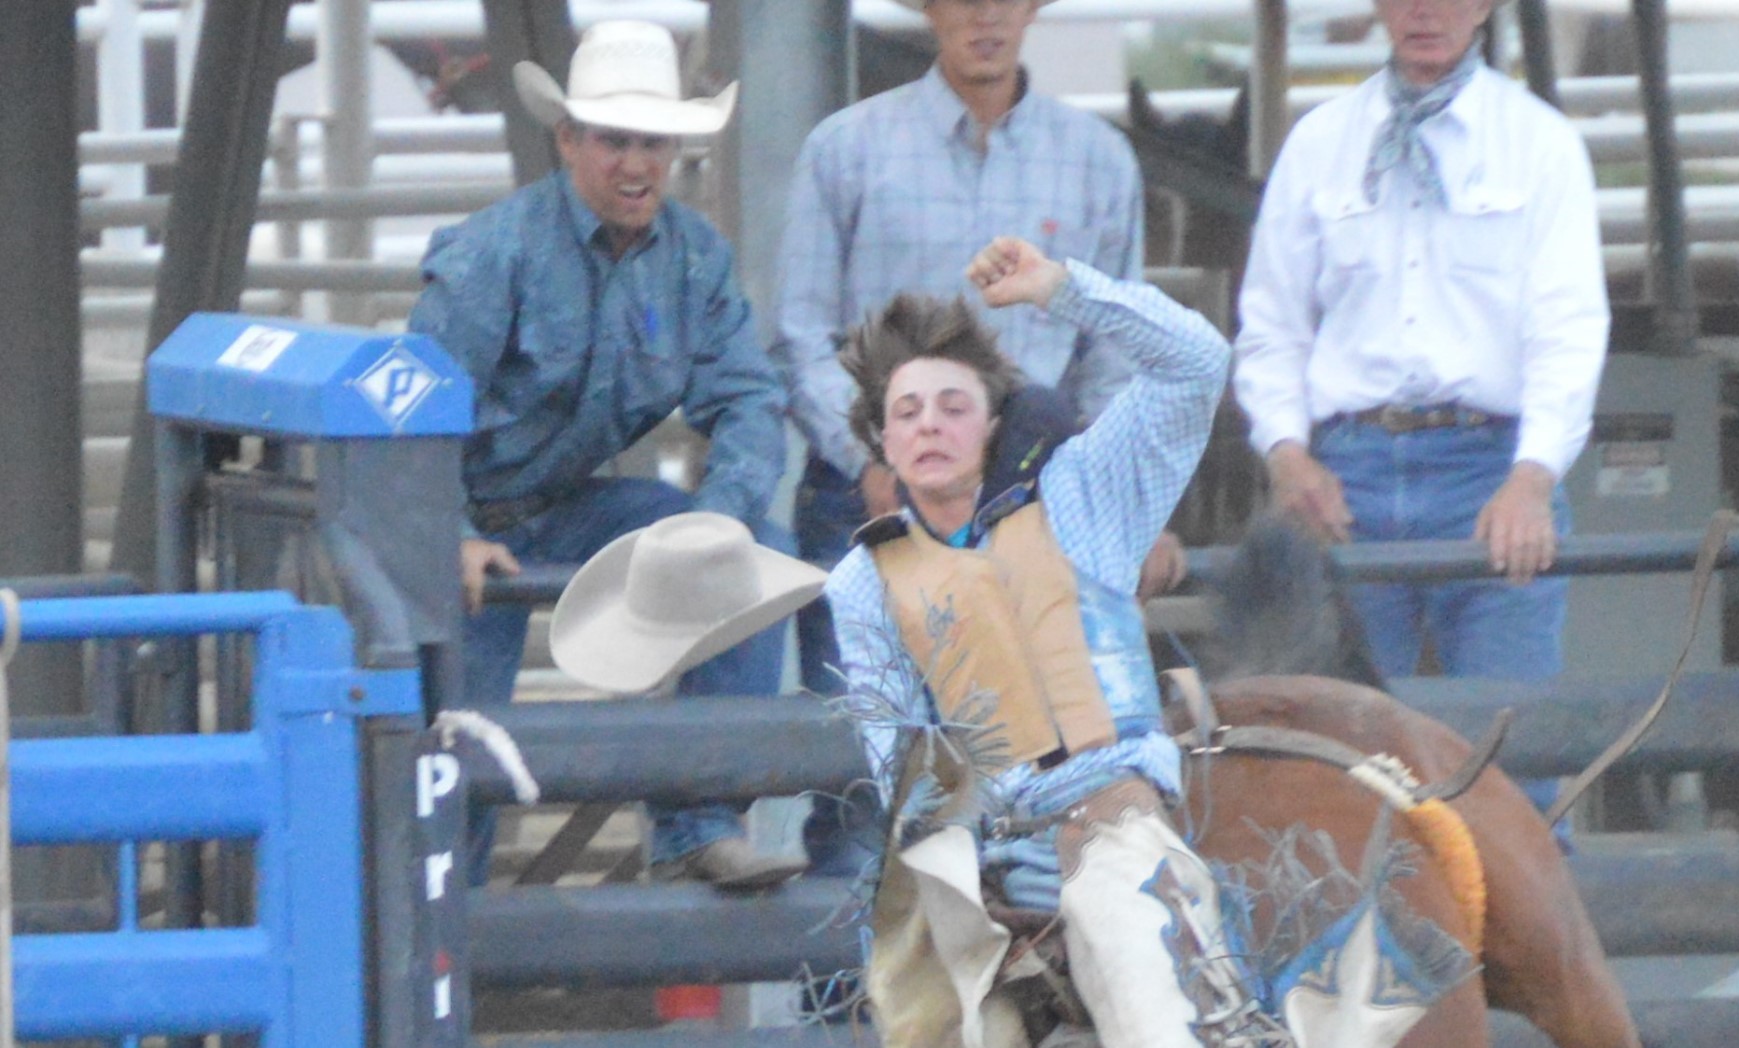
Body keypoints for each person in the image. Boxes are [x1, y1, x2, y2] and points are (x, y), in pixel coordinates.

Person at [826, 238, 1492, 1048]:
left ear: (989, 424)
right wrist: (976, 856)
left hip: (1122, 846)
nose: (929, 424)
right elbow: (898, 756)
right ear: (880, 442)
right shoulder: (864, 588)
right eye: (906, 410)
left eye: (952, 403)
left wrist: (1067, 291)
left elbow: (1194, 365)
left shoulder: (1084, 498)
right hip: (976, 884)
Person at [409, 18, 804, 891]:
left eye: (653, 142)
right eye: (615, 140)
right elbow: (417, 412)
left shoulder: (693, 258)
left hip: (570, 502)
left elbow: (747, 395)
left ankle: (698, 820)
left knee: (751, 551)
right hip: (460, 519)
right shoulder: (493, 254)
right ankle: (441, 953)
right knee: (456, 759)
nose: (637, 164)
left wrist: (722, 515)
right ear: (569, 140)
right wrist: (453, 529)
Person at [777, 0, 1177, 707]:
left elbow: (1111, 353)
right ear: (930, 10)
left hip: (1033, 489)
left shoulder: (1099, 160)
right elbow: (802, 334)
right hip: (877, 493)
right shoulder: (845, 149)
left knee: (1036, 748)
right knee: (869, 759)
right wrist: (869, 456)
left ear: (1030, 10)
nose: (985, 17)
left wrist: (1112, 494)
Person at [1232, 0, 1609, 686]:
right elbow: (1271, 323)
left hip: (1492, 468)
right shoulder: (1320, 143)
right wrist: (1288, 457)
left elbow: (1569, 328)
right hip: (1346, 476)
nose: (1425, 9)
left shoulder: (1540, 143)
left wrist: (1533, 477)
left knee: (1512, 743)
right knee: (1341, 752)